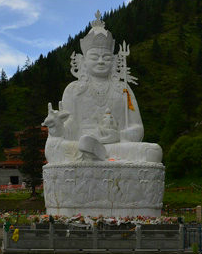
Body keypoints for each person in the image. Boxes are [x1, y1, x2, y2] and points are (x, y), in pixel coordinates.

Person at [54, 11, 162, 164]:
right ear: (83, 61)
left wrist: (119, 136)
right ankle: (92, 150)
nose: (100, 61)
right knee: (70, 146)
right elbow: (69, 131)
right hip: (82, 146)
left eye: (106, 57)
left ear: (113, 60)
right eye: (94, 57)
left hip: (116, 147)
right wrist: (56, 127)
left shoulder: (123, 89)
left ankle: (97, 154)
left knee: (153, 151)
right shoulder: (73, 90)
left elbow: (138, 128)